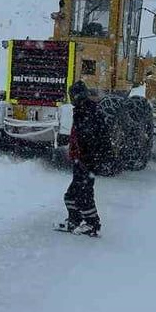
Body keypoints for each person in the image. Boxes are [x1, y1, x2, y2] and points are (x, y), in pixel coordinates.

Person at [59, 81, 108, 236]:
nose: (71, 99)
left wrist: (86, 160)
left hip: (86, 161)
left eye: (72, 96)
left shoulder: (87, 112)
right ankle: (75, 220)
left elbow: (90, 139)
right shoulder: (84, 110)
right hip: (81, 160)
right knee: (72, 195)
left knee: (83, 194)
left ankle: (92, 224)